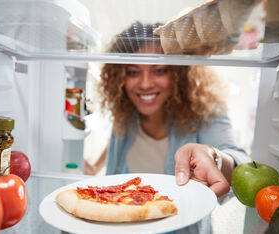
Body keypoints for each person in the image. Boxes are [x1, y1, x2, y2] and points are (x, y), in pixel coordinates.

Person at [85, 22, 250, 233]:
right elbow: (117, 155)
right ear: (120, 77)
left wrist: (214, 157)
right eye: (133, 72)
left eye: (159, 70)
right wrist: (95, 167)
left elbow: (241, 162)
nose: (145, 84)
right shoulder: (126, 116)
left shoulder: (205, 112)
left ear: (180, 74)